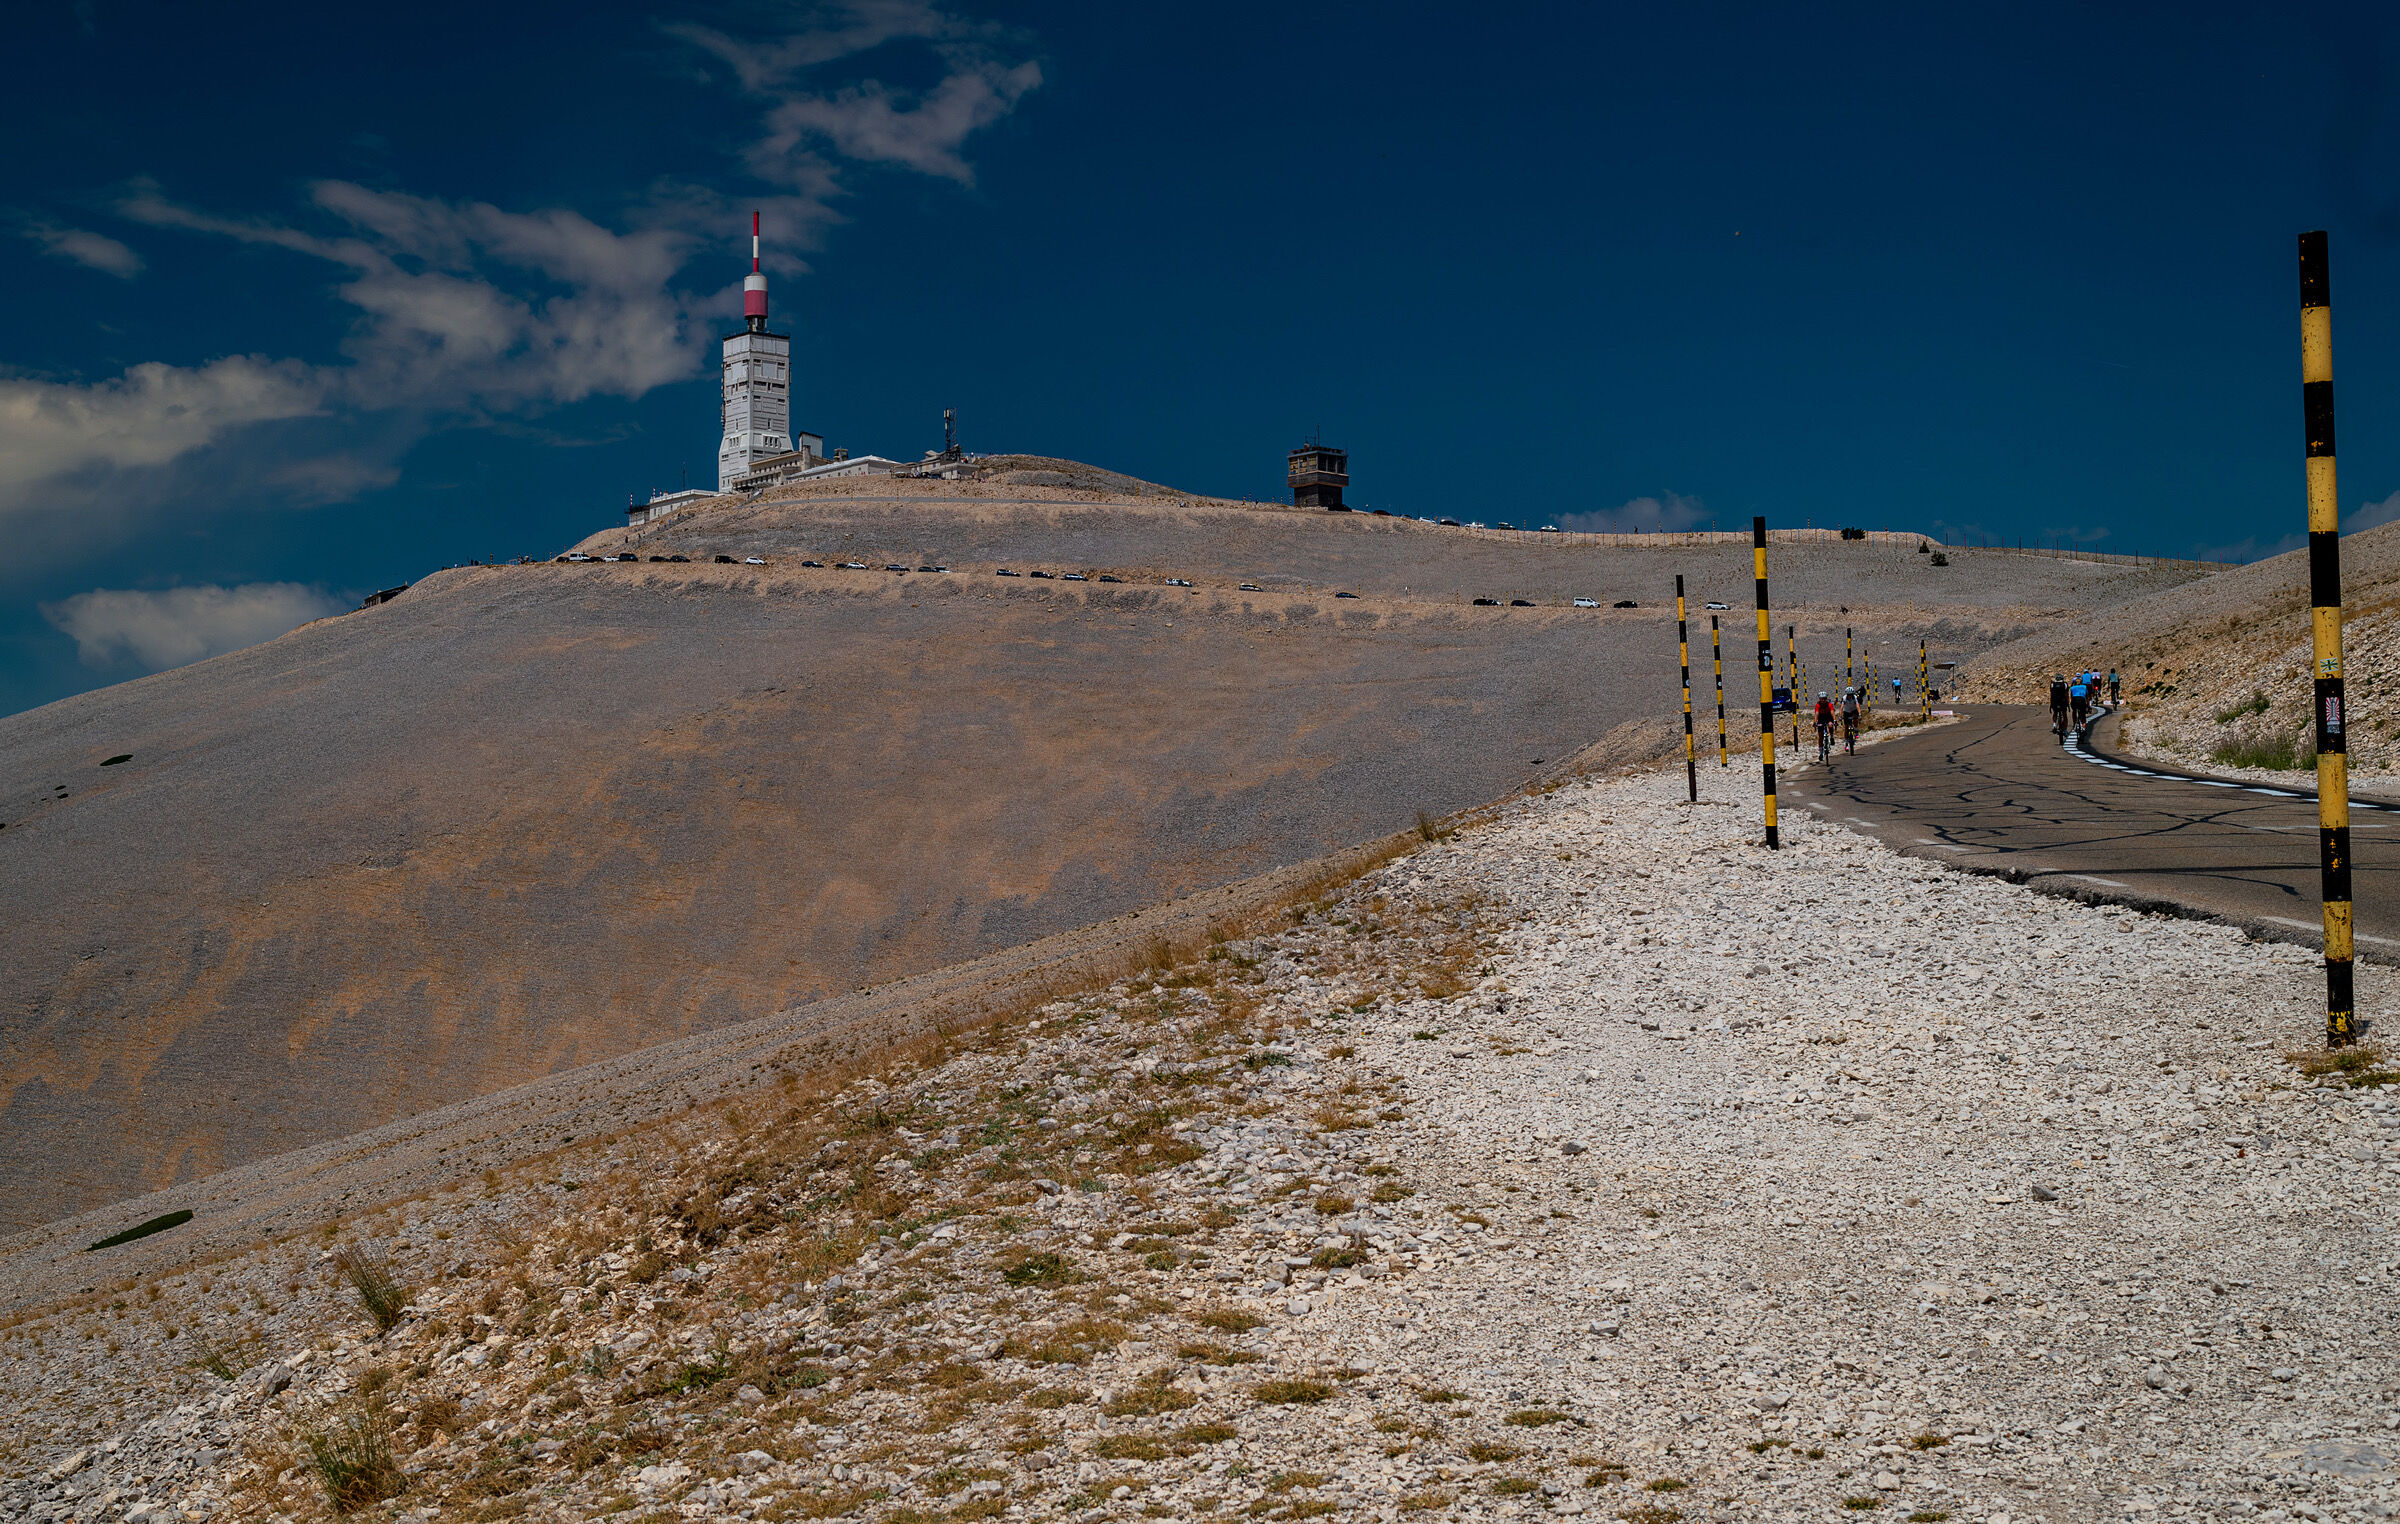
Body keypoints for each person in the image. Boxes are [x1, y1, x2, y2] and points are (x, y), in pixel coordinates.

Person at [1814, 691, 1835, 761]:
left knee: (1830, 725)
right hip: (1821, 718)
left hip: (1828, 717)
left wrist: (1834, 720)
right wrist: (1815, 722)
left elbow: (1832, 712)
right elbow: (1816, 713)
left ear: (1826, 698)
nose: (1823, 700)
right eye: (1821, 699)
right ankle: (1821, 753)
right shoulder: (1818, 705)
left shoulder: (1829, 704)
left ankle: (1831, 737)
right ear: (1819, 699)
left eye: (1824, 699)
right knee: (1820, 736)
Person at [1841, 688, 1860, 754]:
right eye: (1848, 694)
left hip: (1854, 710)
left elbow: (1857, 706)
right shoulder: (1844, 698)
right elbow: (1841, 707)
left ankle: (1856, 730)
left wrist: (1859, 714)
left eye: (1851, 694)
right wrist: (1840, 716)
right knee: (1846, 727)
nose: (1850, 696)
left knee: (1855, 718)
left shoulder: (1855, 697)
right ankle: (1846, 743)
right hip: (1846, 711)